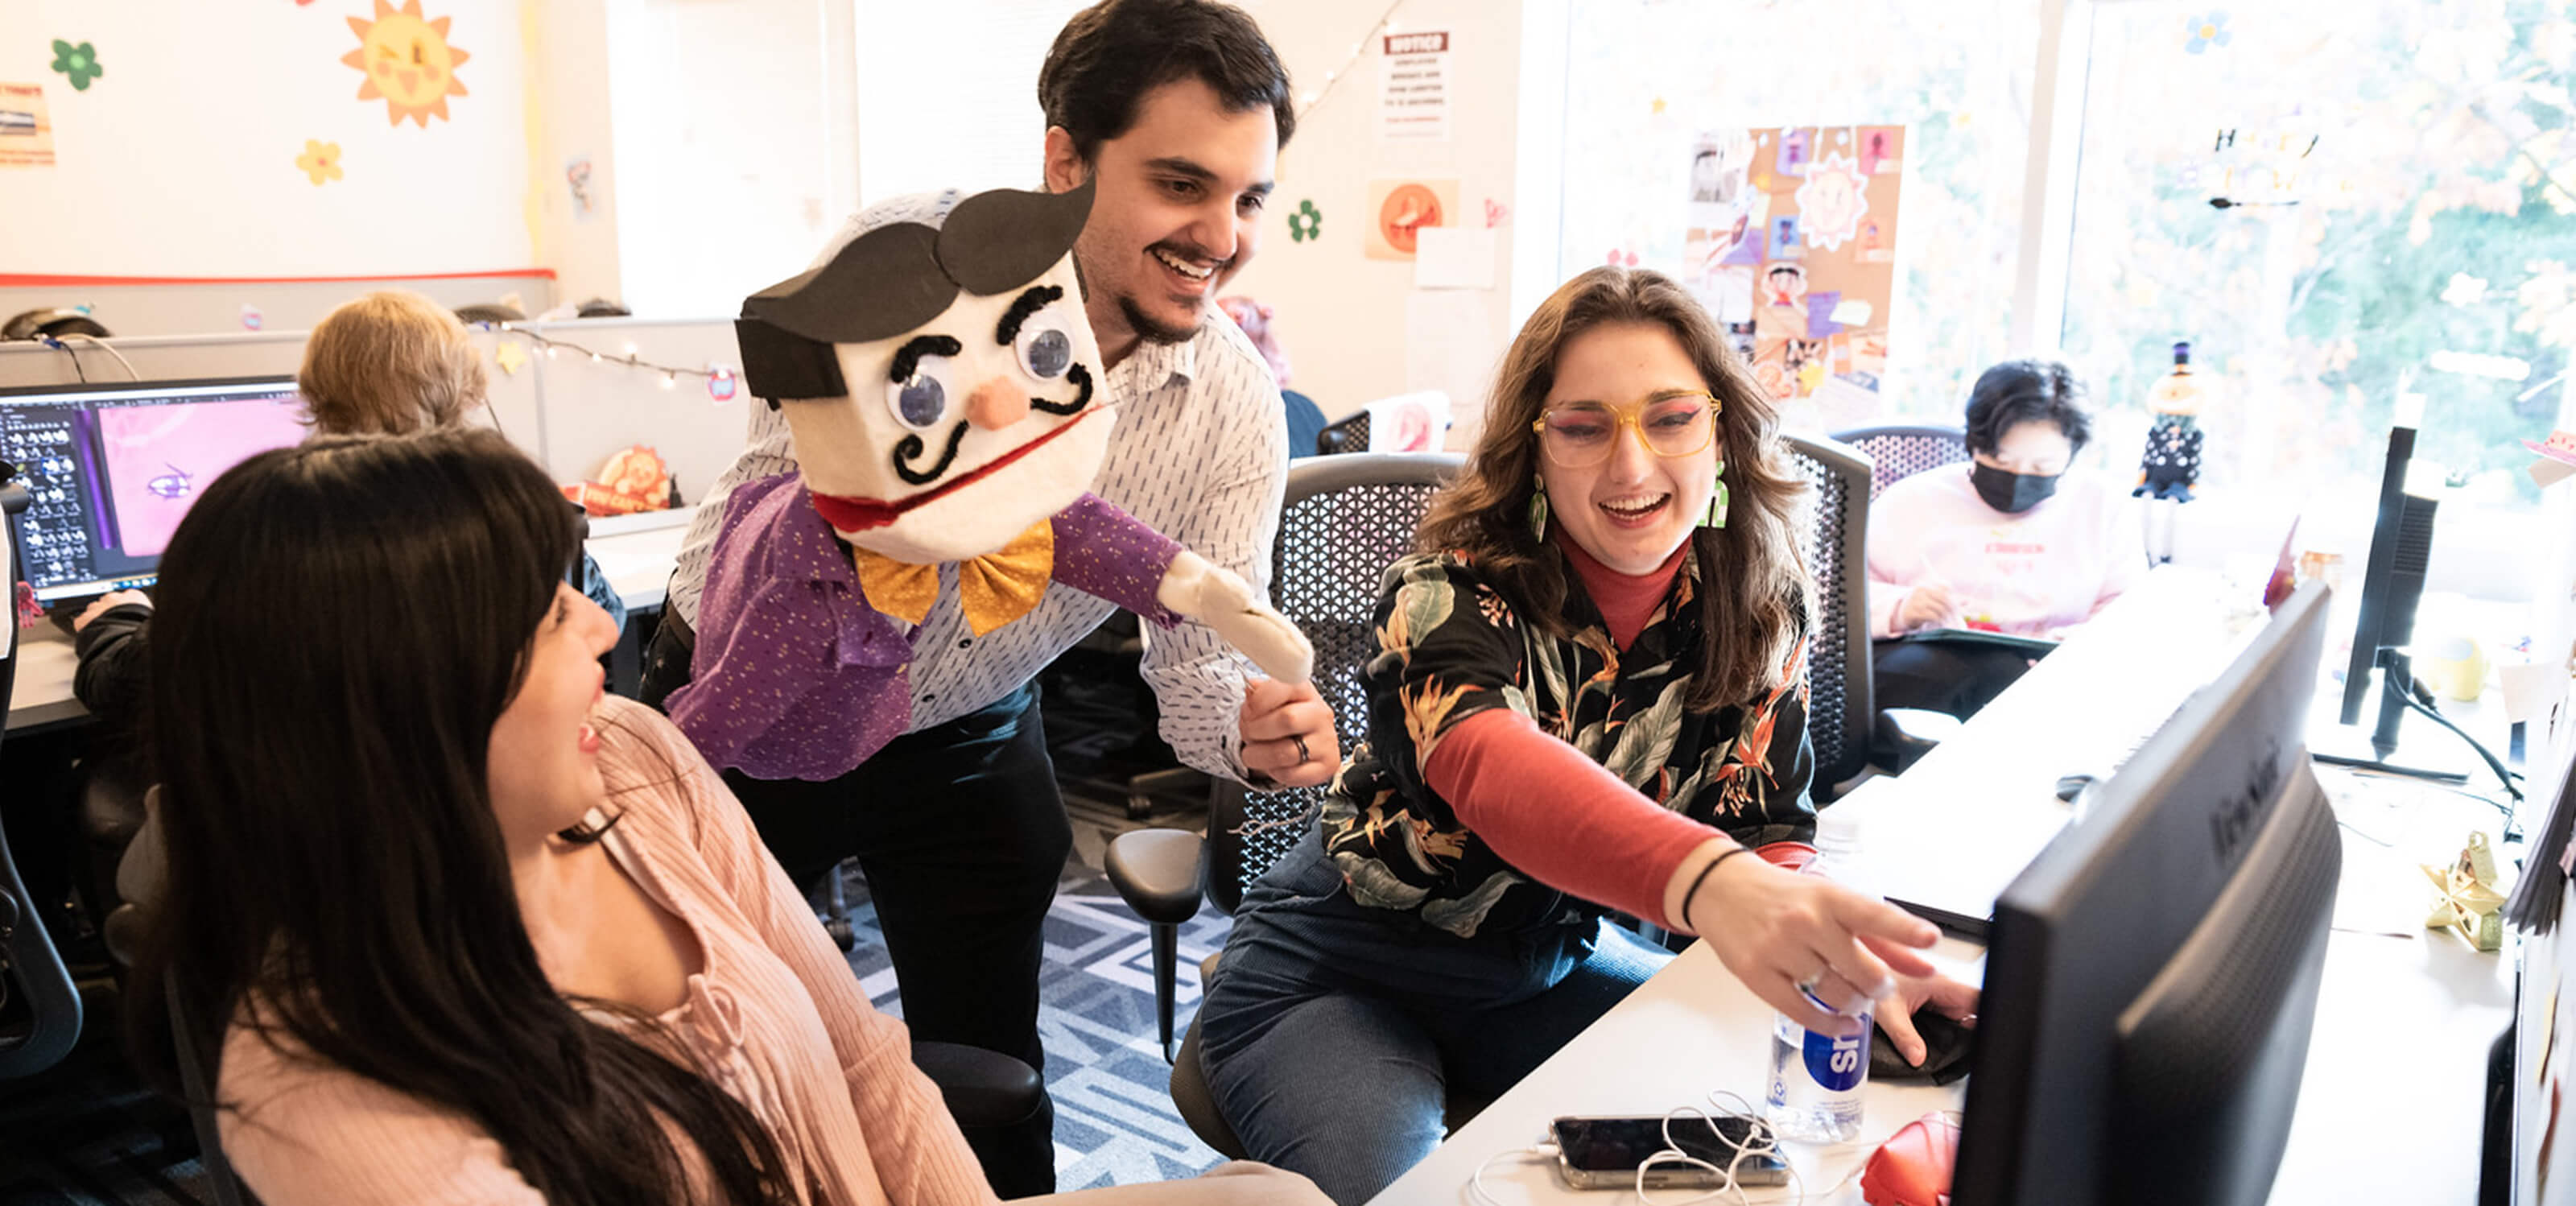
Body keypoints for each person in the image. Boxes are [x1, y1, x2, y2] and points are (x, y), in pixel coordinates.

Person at [125, 429, 1326, 1206]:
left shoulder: (639, 770)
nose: (603, 628)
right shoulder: (334, 1101)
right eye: (548, 616)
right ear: (401, 709)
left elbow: (871, 1068)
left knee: (1272, 1198)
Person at [636, 2, 1334, 1193]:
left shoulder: (1230, 402)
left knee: (994, 1073)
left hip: (967, 726)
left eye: (1250, 196)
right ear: (1066, 159)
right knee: (703, 1053)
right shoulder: (906, 261)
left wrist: (1255, 736)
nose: (1223, 235)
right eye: (1181, 184)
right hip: (746, 701)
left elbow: (1197, 670)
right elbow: (768, 495)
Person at [1192, 267, 1977, 1204]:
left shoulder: (1759, 606)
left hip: (1539, 973)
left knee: (1746, 1160)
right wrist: (1716, 887)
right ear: (1534, 451)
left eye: (1670, 418)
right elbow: (1488, 764)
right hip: (1338, 977)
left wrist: (1837, 958)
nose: (1632, 466)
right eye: (1583, 426)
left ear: (1719, 430)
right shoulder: (1443, 590)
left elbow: (1766, 829)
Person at [1865, 360, 2147, 717]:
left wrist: (2087, 640)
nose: (2018, 477)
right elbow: (1840, 603)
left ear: (2072, 455)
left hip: (2054, 674)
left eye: (2042, 467)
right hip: (1931, 666)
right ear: (1974, 443)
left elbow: (2128, 609)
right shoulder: (1910, 502)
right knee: (1990, 675)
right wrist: (1902, 608)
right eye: (2001, 460)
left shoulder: (2101, 507)